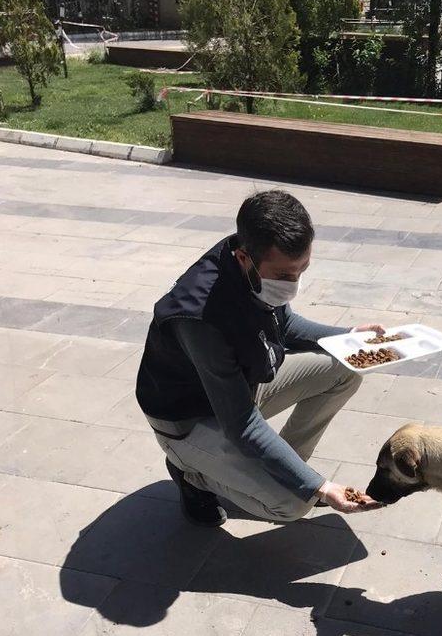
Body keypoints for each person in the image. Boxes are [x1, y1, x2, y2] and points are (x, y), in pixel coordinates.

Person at [135, 189, 384, 526]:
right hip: (189, 420)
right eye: (284, 275)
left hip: (237, 391)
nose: (293, 283)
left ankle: (279, 470)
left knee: (345, 365)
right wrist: (320, 488)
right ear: (244, 258)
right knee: (293, 504)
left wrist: (347, 337)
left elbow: (285, 323)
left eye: (302, 270)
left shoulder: (251, 258)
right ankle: (193, 475)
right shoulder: (202, 317)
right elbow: (242, 424)